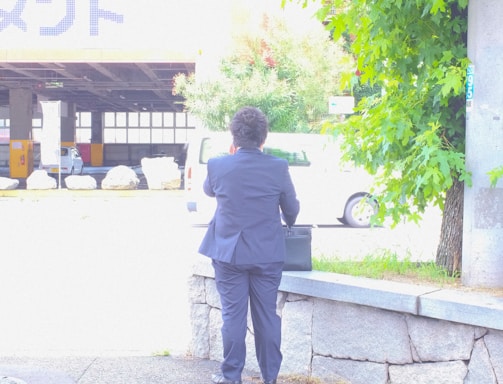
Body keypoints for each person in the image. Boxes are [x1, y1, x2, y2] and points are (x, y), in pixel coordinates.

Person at [199, 106, 300, 384]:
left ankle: (231, 377)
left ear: (234, 137)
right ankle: (270, 378)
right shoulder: (278, 167)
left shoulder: (218, 165)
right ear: (263, 138)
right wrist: (285, 217)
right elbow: (291, 209)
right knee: (266, 317)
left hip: (228, 253)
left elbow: (209, 190)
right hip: (267, 253)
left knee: (233, 316)